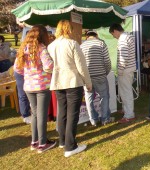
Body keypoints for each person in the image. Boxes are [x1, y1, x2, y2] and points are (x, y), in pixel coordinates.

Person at [47, 20, 92, 158]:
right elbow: (81, 66)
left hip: (58, 82)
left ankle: (62, 140)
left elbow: (49, 65)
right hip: (72, 81)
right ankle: (70, 146)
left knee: (62, 112)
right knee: (72, 114)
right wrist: (88, 82)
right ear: (69, 29)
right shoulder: (73, 44)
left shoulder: (51, 46)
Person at [14, 25, 56, 153]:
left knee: (35, 114)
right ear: (42, 35)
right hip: (42, 86)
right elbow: (49, 65)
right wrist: (49, 70)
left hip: (28, 86)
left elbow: (17, 68)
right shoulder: (41, 48)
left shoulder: (23, 48)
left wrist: (29, 74)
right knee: (41, 115)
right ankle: (43, 143)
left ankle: (34, 141)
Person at [80, 30, 112, 126]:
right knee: (104, 96)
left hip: (87, 77)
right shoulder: (101, 44)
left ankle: (93, 120)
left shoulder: (82, 46)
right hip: (100, 75)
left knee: (89, 98)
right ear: (96, 35)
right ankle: (105, 119)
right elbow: (107, 61)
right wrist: (105, 72)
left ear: (87, 36)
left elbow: (80, 63)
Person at [109, 23, 136, 124]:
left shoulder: (123, 39)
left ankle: (129, 115)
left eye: (113, 34)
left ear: (115, 31)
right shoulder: (129, 36)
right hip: (129, 68)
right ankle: (126, 109)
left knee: (126, 92)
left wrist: (120, 70)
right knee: (124, 91)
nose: (114, 37)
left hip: (125, 70)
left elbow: (123, 57)